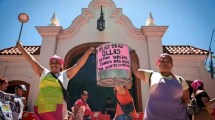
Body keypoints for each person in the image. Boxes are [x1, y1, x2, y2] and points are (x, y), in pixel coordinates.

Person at [16, 41, 95, 120]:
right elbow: (32, 60)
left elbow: (78, 65)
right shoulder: (44, 73)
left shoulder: (64, 75)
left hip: (57, 110)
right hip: (41, 110)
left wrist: (87, 52)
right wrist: (21, 48)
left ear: (61, 65)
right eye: (51, 63)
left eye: (56, 63)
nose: (54, 65)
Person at [131, 51, 190, 120]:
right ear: (158, 64)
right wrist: (132, 56)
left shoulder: (180, 79)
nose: (165, 63)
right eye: (162, 61)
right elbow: (135, 71)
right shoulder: (151, 75)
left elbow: (186, 99)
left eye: (168, 61)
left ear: (172, 64)